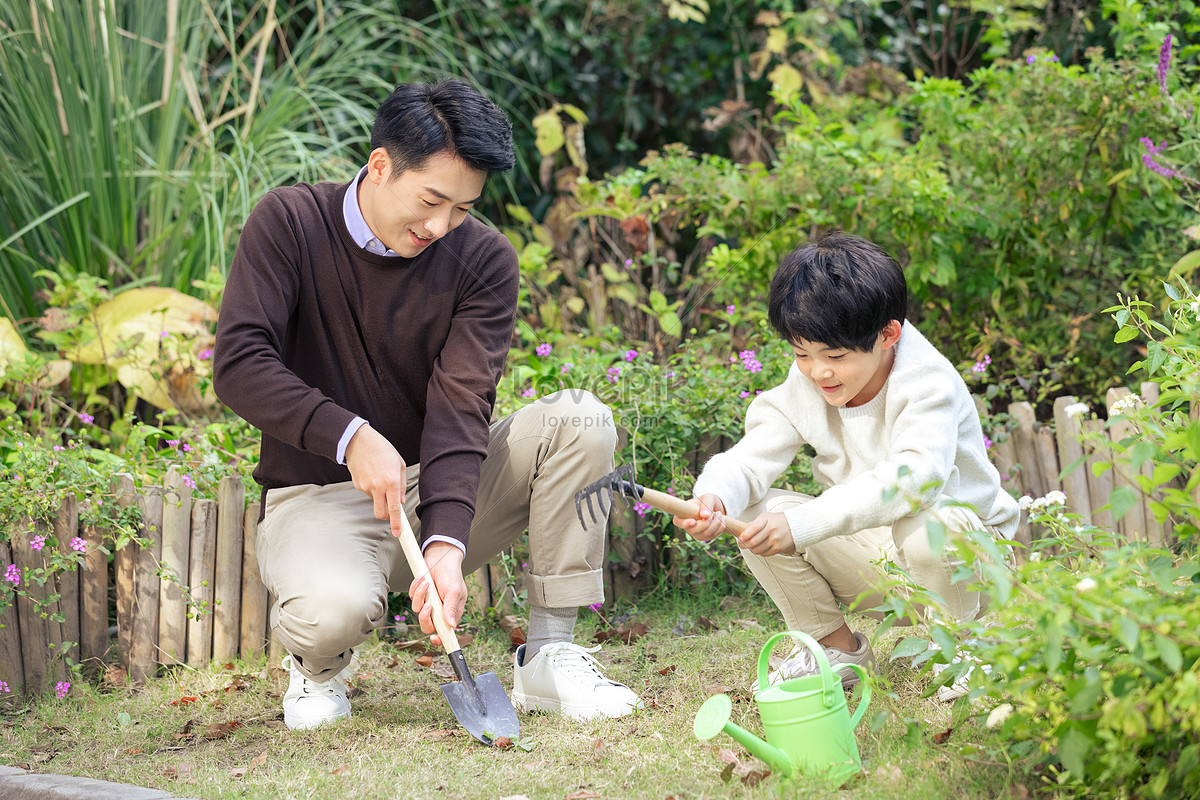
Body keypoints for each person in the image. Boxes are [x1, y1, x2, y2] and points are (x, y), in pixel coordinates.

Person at [213, 79, 641, 730]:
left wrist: (445, 541)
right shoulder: (291, 224)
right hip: (318, 495)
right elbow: (240, 362)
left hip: (435, 486)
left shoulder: (482, 261)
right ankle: (318, 672)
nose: (441, 226)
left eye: (463, 209)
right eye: (432, 200)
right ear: (381, 166)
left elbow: (461, 401)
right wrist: (350, 436)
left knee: (580, 418)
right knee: (331, 612)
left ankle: (549, 653)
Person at [673, 232, 1019, 695]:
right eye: (802, 354)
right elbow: (749, 458)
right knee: (752, 511)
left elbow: (915, 481)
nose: (819, 372)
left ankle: (965, 649)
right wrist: (714, 495)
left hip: (965, 563)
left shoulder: (926, 383)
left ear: (888, 334)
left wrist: (804, 522)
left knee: (927, 523)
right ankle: (838, 652)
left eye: (834, 356)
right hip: (884, 560)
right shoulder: (810, 382)